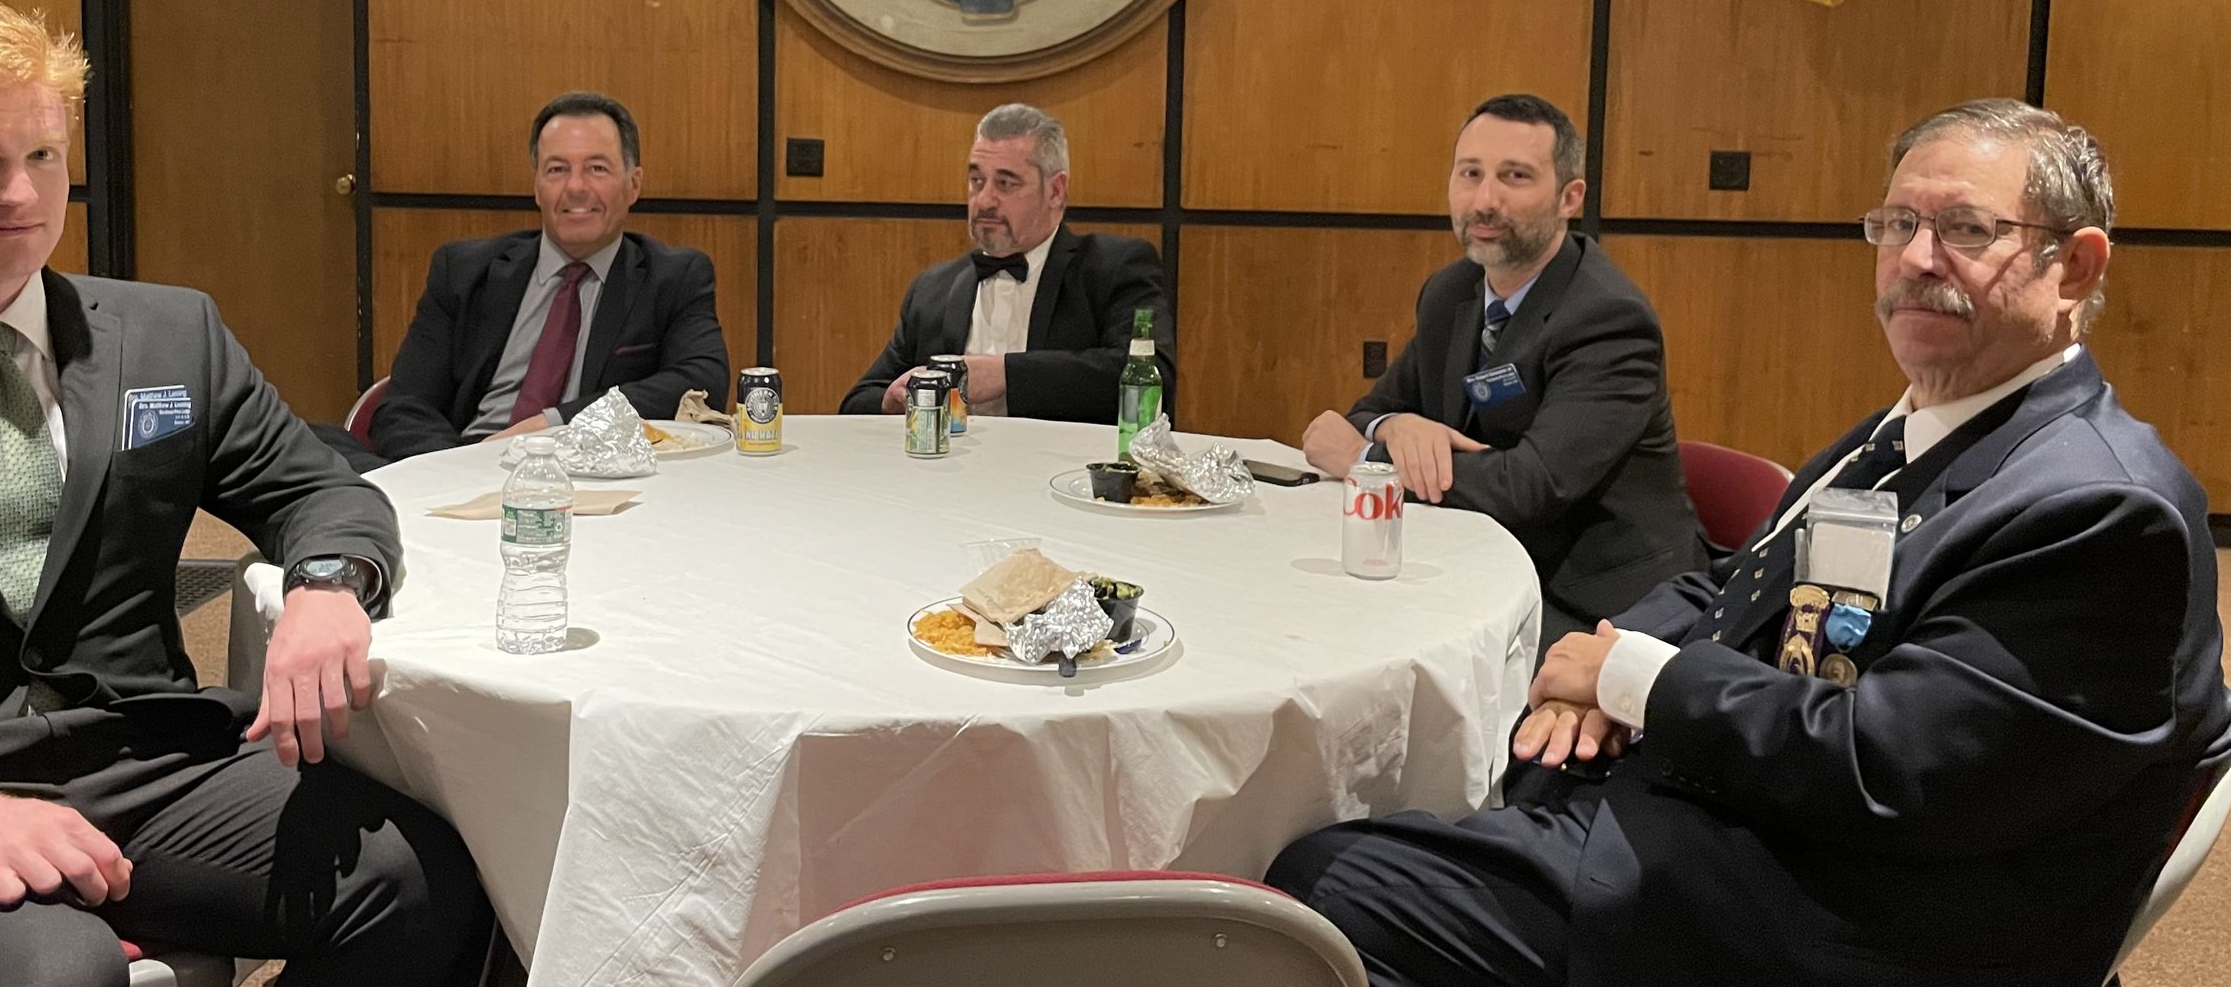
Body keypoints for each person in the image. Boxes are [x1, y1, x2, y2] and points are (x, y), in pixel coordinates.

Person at [1267, 99, 2231, 987]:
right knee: (1455, 792)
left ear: (2078, 266)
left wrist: (1639, 681)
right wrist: (1603, 663)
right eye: (1897, 226)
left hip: (1845, 915)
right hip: (1752, 813)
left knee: (1323, 889)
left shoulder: (2100, 508)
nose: (1919, 258)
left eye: (1968, 230)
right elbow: (1732, 583)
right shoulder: (1912, 427)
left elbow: (1890, 770)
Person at [0, 4, 490, 985]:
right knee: (55, 968)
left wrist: (329, 584)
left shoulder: (170, 337)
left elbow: (315, 485)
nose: (19, 191)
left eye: (42, 153)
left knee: (423, 875)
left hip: (146, 766)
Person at [1301, 94, 1703, 647]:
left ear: (1570, 197)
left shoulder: (1609, 319)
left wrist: (1366, 461)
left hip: (1599, 607)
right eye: (1470, 174)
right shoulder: (1451, 292)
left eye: (1515, 177)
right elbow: (1371, 411)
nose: (1485, 200)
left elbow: (1528, 487)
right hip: (1475, 570)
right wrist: (1395, 428)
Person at [364, 91, 731, 464]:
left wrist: (553, 425)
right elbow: (405, 406)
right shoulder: (463, 271)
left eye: (597, 169)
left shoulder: (672, 278)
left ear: (633, 185)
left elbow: (700, 384)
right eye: (557, 169)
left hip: (588, 475)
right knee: (317, 449)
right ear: (537, 186)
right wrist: (459, 470)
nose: (575, 187)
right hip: (464, 461)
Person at [842, 103, 1173, 421]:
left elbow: (1149, 377)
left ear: (1056, 191)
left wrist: (1003, 373)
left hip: (1057, 474)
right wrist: (890, 401)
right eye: (976, 181)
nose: (984, 200)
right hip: (946, 475)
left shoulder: (1112, 269)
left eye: (1005, 183)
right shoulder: (934, 288)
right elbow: (858, 401)